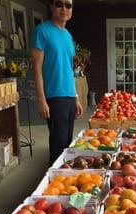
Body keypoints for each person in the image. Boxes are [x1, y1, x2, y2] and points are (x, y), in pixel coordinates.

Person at [31, 0, 83, 164]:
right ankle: (53, 184)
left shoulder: (68, 36)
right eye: (59, 4)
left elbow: (68, 69)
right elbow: (37, 68)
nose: (64, 9)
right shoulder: (41, 32)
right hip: (54, 97)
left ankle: (63, 181)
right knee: (58, 147)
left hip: (68, 97)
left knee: (67, 145)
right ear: (51, 6)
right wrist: (41, 99)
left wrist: (76, 97)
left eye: (68, 5)